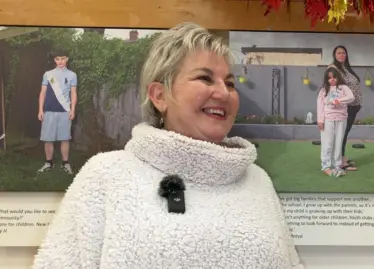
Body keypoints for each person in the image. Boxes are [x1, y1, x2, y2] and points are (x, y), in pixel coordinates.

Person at [32, 22, 304, 269]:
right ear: (159, 95)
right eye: (205, 78)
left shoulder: (257, 181)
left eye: (230, 83)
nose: (223, 93)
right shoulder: (106, 176)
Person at [37, 50, 77, 175]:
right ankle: (49, 163)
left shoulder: (72, 75)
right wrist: (40, 110)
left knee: (65, 139)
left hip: (65, 111)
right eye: (58, 59)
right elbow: (42, 93)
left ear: (67, 59)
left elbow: (73, 93)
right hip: (49, 111)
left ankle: (65, 164)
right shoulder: (48, 74)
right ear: (55, 60)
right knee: (48, 139)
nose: (60, 61)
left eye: (63, 58)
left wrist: (73, 109)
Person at [317, 67, 355, 177]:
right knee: (327, 144)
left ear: (338, 77)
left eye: (334, 77)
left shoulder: (343, 88)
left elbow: (351, 97)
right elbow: (320, 105)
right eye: (329, 78)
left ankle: (337, 166)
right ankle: (326, 166)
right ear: (326, 79)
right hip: (328, 119)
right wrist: (320, 120)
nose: (332, 80)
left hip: (341, 119)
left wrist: (339, 100)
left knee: (338, 143)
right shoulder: (324, 89)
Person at [329, 45, 362, 171]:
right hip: (344, 107)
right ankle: (340, 161)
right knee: (341, 134)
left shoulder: (346, 68)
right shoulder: (333, 68)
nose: (341, 55)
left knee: (344, 133)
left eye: (343, 53)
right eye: (339, 53)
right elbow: (332, 87)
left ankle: (341, 157)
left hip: (354, 106)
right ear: (334, 55)